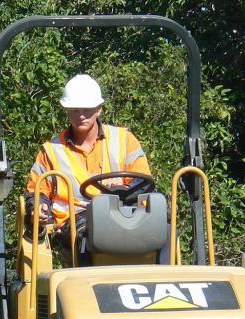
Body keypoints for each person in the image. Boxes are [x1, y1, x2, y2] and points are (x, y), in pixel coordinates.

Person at [25, 74, 151, 252]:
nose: (81, 115)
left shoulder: (124, 139)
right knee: (96, 234)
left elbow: (144, 181)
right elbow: (36, 191)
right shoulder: (51, 150)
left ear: (99, 109)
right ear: (66, 110)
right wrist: (38, 207)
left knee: (165, 230)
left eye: (87, 109)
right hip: (75, 224)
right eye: (75, 109)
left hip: (125, 213)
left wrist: (123, 186)